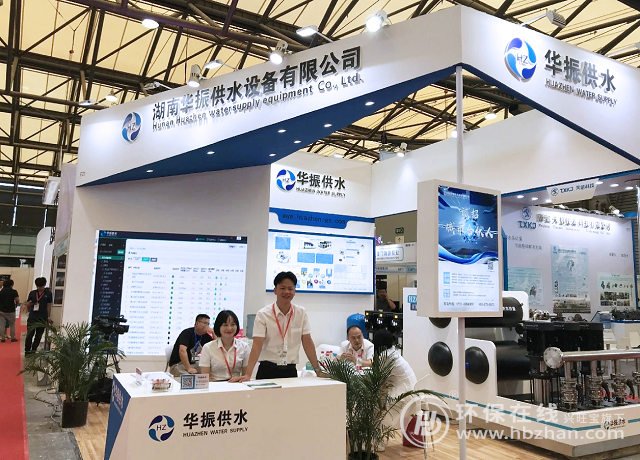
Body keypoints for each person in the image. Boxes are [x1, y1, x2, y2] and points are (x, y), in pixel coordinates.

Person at [231, 271, 323, 381]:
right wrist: (248, 375)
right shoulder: (263, 314)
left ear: (294, 291)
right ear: (275, 290)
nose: (286, 292)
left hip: (290, 370)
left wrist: (318, 370)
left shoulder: (301, 313)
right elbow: (256, 346)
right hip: (267, 370)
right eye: (282, 288)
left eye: (290, 288)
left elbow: (307, 343)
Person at [200, 310, 251, 381]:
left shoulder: (244, 347)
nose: (229, 328)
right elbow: (205, 376)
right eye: (225, 325)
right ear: (218, 326)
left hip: (236, 384)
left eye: (233, 324)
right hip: (215, 385)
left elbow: (245, 375)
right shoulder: (208, 347)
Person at [373, 329, 416, 398]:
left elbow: (380, 379)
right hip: (412, 389)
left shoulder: (385, 356)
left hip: (404, 394)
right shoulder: (392, 351)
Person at [24, 277, 53, 354]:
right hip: (33, 317)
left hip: (42, 317)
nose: (40, 288)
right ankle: (27, 350)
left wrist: (48, 316)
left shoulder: (48, 294)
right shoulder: (32, 293)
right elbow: (27, 305)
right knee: (29, 334)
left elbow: (49, 305)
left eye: (41, 286)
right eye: (38, 286)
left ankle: (34, 350)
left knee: (38, 335)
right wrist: (30, 304)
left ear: (44, 285)